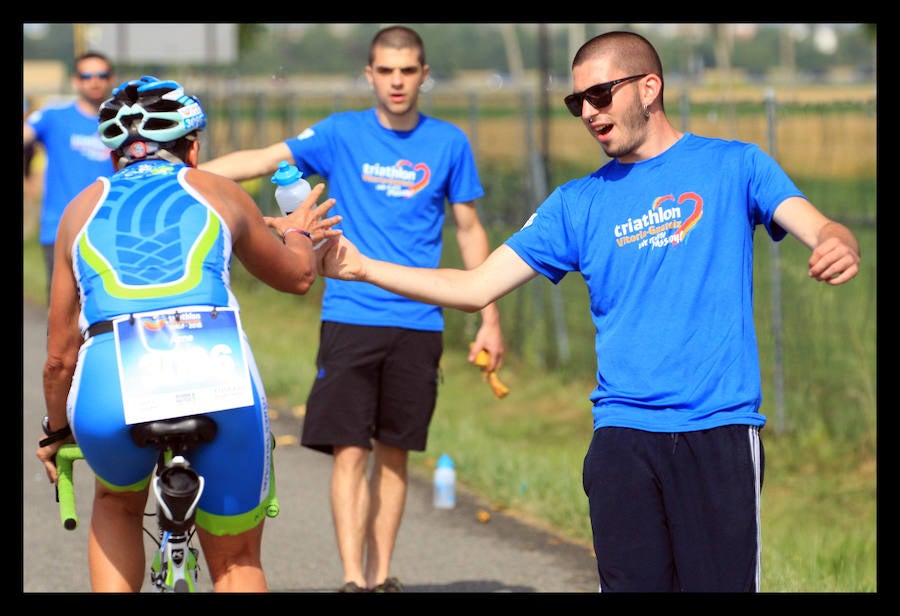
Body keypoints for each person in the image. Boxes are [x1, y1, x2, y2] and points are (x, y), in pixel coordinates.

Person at [315, 31, 861, 592]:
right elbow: (476, 286)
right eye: (578, 102)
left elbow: (818, 225)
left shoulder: (735, 165)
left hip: (717, 432)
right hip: (622, 439)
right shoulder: (577, 203)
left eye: (600, 94)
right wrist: (362, 267)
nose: (588, 112)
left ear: (650, 87)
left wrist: (837, 240)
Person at [201, 25, 505, 593]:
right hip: (349, 314)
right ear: (370, 74)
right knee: (349, 451)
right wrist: (181, 174)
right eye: (385, 71)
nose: (396, 81)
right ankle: (352, 580)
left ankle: (383, 576)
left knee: (395, 455)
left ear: (423, 73)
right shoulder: (340, 134)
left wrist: (488, 316)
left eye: (407, 70)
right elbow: (266, 159)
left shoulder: (449, 143)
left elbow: (469, 228)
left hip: (419, 319)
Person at [35, 75, 341, 592]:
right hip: (213, 364)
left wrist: (57, 431)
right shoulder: (219, 191)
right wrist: (296, 229)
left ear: (115, 159)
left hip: (111, 379)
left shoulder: (77, 211)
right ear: (192, 148)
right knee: (237, 557)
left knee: (115, 501)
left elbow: (59, 359)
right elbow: (298, 277)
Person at [24, 51, 117, 302]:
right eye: (87, 75)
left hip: (109, 230)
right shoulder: (53, 117)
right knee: (63, 314)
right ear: (76, 81)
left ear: (111, 79)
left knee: (106, 308)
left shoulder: (122, 123)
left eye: (101, 75)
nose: (94, 81)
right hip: (60, 231)